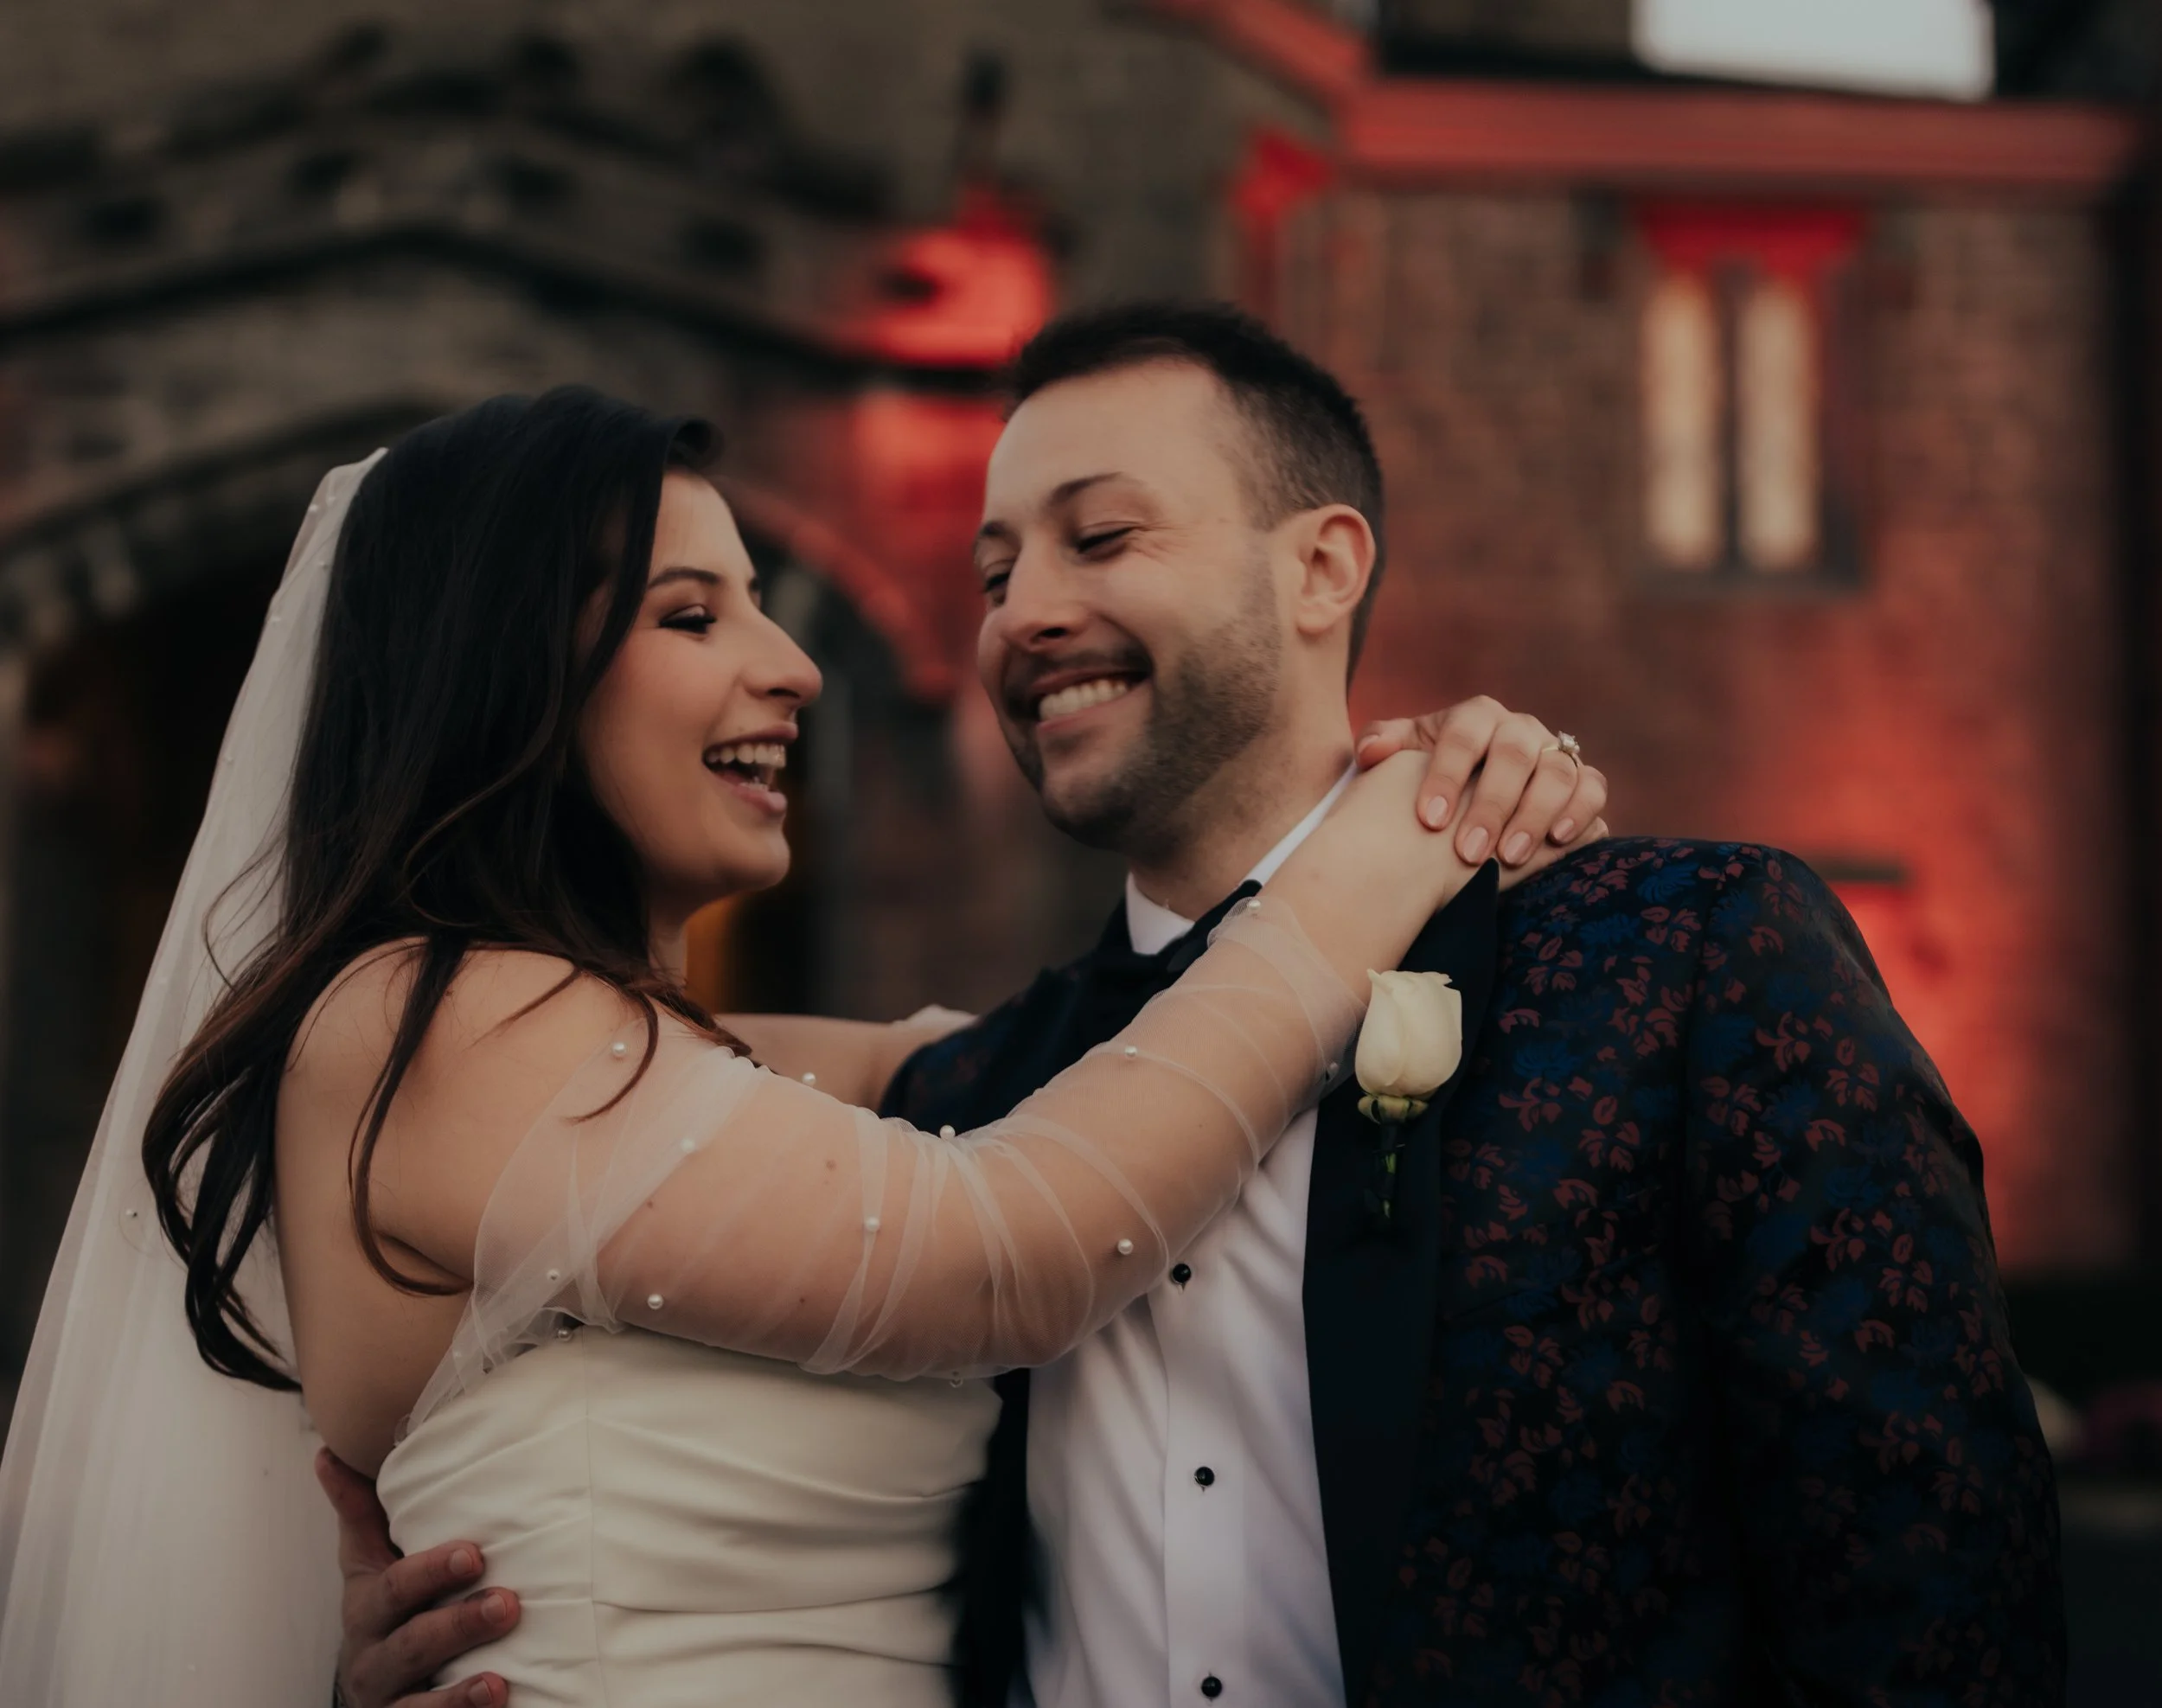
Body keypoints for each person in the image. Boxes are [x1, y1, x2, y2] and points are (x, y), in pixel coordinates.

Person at [345, 304, 2065, 1708]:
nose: (1024, 614)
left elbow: (1926, 1583)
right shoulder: (955, 1101)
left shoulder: (1681, 957)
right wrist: (347, 1596)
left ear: (1322, 569)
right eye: (995, 571)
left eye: (1100, 535)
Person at [0, 383, 1601, 1707]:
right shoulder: (435, 1021)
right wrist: (1381, 858)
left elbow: (1032, 1064)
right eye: (693, 613)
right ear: (502, 681)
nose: (794, 665)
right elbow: (1011, 1246)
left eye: (763, 602)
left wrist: (1443, 779)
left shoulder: (662, 1062)